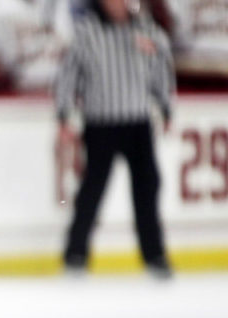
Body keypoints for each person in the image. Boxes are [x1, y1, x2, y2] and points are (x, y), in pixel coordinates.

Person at [53, 0, 176, 278]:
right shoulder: (87, 32)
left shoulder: (146, 29)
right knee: (92, 191)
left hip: (138, 123)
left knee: (147, 189)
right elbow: (68, 74)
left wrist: (166, 107)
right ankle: (75, 253)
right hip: (101, 123)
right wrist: (64, 114)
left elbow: (161, 68)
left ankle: (154, 255)